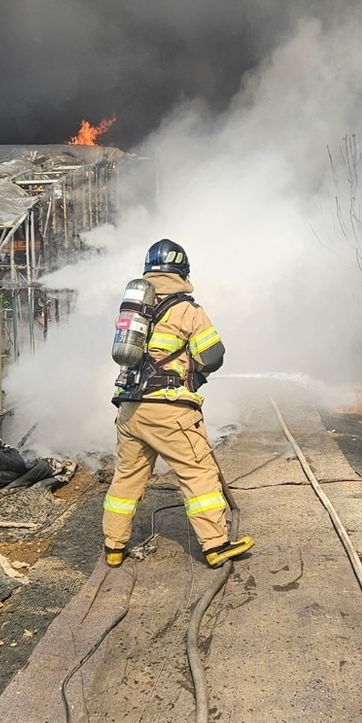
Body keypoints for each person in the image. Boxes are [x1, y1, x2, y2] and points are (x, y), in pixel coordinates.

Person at [102, 239, 254, 569]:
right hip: (168, 411)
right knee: (198, 473)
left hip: (129, 409)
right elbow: (213, 356)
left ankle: (113, 547)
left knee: (126, 479)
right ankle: (216, 545)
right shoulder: (187, 310)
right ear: (182, 271)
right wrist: (192, 369)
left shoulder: (134, 308)